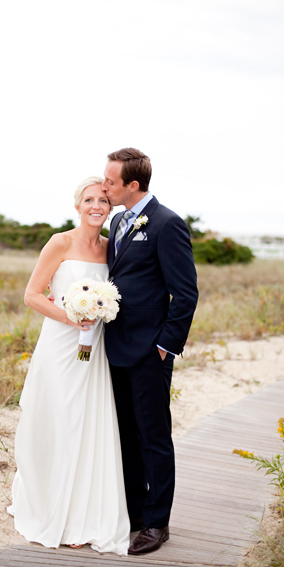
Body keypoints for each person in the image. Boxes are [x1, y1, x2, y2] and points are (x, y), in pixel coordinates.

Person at [7, 177, 130, 555]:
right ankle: (50, 507)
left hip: (94, 352)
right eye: (89, 200)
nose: (97, 206)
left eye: (103, 200)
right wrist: (70, 315)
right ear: (78, 205)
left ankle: (83, 516)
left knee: (88, 423)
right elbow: (31, 295)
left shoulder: (112, 249)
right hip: (61, 347)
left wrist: (99, 313)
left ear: (111, 208)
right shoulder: (59, 242)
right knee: (60, 420)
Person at [102, 148, 198, 554]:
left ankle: (158, 523)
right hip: (114, 347)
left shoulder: (166, 223)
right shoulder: (120, 219)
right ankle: (137, 511)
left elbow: (186, 293)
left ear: (132, 185)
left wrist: (164, 347)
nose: (104, 186)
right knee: (125, 433)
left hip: (149, 352)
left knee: (153, 436)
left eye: (110, 181)